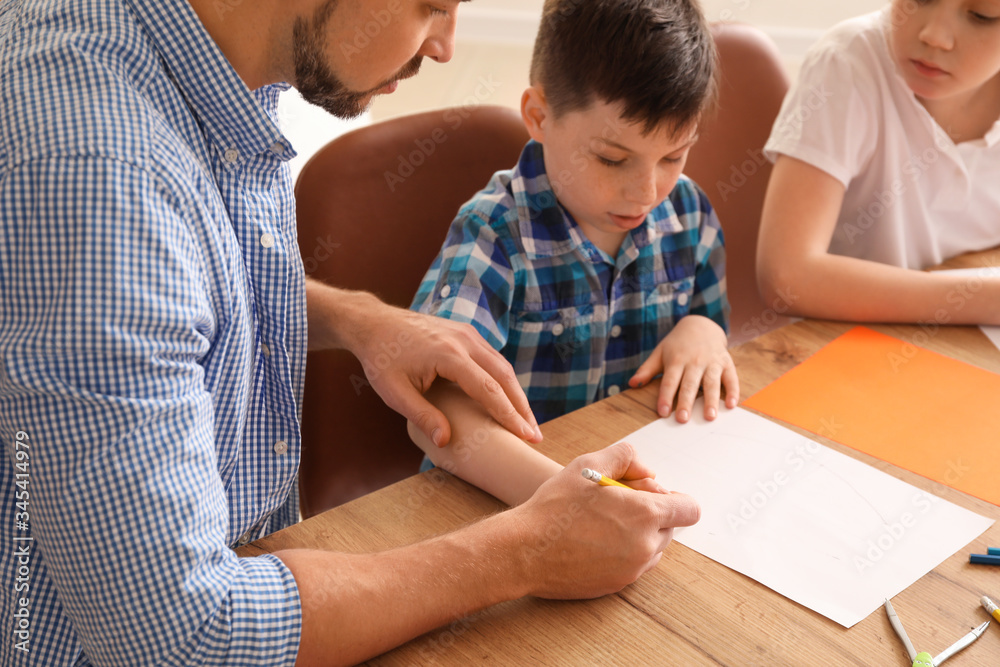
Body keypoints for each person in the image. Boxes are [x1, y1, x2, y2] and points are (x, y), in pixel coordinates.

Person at [0, 0, 702, 664]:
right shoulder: (95, 173)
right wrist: (524, 550)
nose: (444, 45)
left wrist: (356, 317)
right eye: (431, 6)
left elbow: (169, 278)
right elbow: (184, 637)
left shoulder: (212, 60)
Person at [411, 0, 739, 427]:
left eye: (673, 157)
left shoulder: (689, 212)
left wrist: (704, 330)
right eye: (611, 159)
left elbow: (713, 330)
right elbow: (443, 406)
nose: (647, 192)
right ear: (539, 116)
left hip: (649, 465)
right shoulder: (493, 233)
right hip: (515, 486)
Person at [758, 0, 1000, 325]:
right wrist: (979, 300)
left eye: (981, 16)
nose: (934, 37)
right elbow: (786, 277)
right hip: (848, 340)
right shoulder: (845, 63)